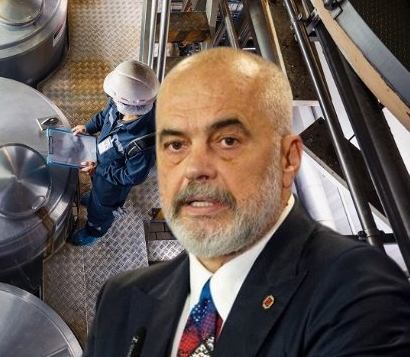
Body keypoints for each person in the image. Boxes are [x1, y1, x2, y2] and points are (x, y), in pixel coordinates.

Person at [83, 48, 410, 356]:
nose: (195, 170)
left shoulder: (352, 293)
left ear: (287, 158)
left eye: (228, 141)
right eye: (178, 145)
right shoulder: (119, 299)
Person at [69, 60, 159, 246]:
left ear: (129, 104)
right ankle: (94, 198)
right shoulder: (120, 102)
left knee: (101, 209)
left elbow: (131, 177)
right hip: (100, 169)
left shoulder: (144, 143)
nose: (111, 100)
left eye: (114, 99)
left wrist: (99, 170)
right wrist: (88, 127)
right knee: (96, 195)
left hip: (112, 186)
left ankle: (95, 231)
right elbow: (104, 116)